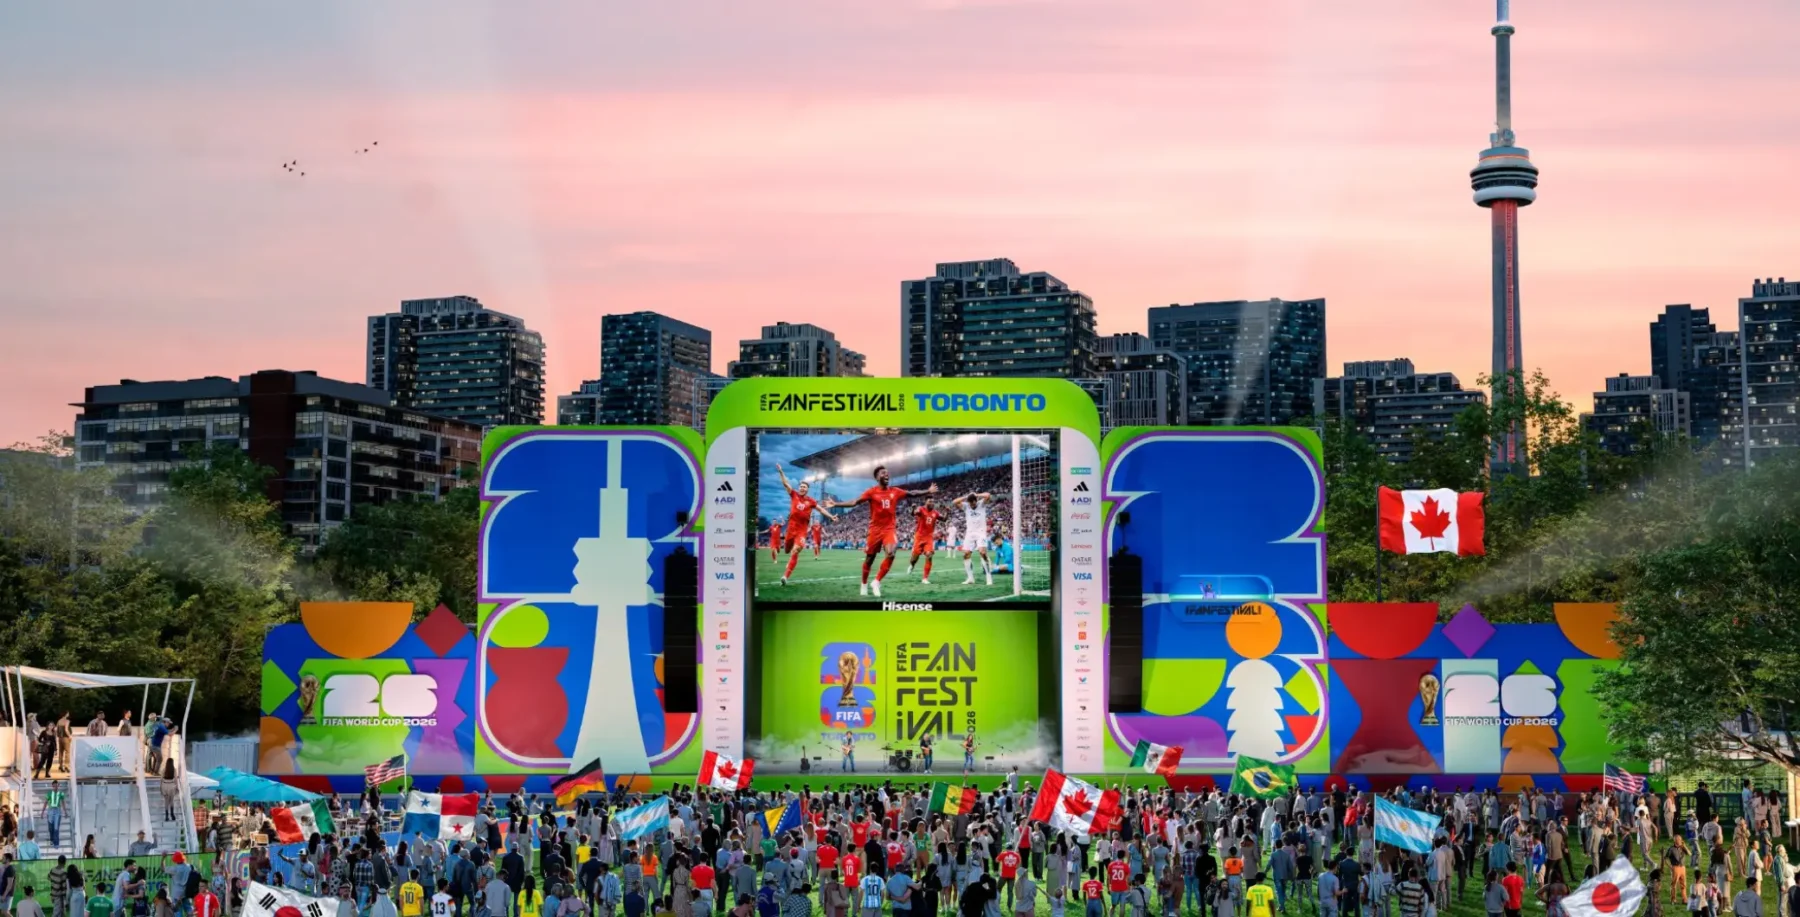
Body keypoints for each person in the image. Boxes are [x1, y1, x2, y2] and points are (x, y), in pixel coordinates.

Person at [825, 464, 936, 598]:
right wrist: (836, 504)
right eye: (883, 473)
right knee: (869, 559)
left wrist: (928, 490)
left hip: (889, 529)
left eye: (887, 473)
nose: (886, 475)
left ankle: (876, 582)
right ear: (877, 477)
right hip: (875, 530)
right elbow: (855, 502)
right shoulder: (871, 492)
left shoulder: (895, 491)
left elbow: (912, 493)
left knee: (891, 553)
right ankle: (864, 584)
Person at [772, 466, 842, 587]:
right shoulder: (793, 495)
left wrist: (831, 516)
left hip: (801, 532)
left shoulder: (811, 501)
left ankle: (785, 577)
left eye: (805, 487)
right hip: (790, 530)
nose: (802, 488)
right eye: (801, 486)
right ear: (799, 488)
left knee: (796, 550)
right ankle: (789, 558)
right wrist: (781, 471)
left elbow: (820, 509)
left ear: (807, 490)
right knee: (787, 550)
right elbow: (785, 483)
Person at [951, 492, 995, 586]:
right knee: (966, 554)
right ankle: (970, 578)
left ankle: (988, 577)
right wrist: (966, 496)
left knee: (982, 552)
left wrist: (977, 494)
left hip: (981, 533)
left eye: (973, 503)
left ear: (976, 501)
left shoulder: (981, 503)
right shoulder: (966, 506)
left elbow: (988, 495)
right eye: (970, 503)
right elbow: (954, 502)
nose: (972, 505)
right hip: (970, 533)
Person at [905, 500, 943, 584]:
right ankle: (912, 565)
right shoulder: (921, 509)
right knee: (914, 558)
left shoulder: (935, 513)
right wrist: (913, 508)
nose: (932, 503)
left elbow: (944, 519)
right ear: (926, 503)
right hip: (919, 537)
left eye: (933, 502)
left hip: (929, 537)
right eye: (930, 501)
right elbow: (913, 513)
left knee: (929, 555)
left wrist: (947, 512)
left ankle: (925, 578)